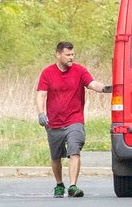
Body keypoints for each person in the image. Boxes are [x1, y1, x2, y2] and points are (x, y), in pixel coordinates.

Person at [36, 41, 111, 198]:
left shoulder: (79, 70)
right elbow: (41, 94)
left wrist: (104, 88)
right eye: (68, 55)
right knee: (56, 157)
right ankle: (59, 184)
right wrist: (41, 113)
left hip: (74, 119)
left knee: (74, 150)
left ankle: (72, 185)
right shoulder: (47, 72)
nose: (71, 58)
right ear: (58, 54)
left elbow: (92, 84)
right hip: (54, 122)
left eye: (72, 55)